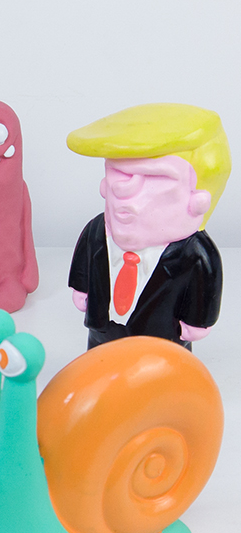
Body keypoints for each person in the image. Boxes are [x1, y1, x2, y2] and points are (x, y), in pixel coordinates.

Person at [67, 103, 231, 349]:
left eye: (155, 178)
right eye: (118, 173)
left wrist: (197, 321)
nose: (123, 189)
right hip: (102, 335)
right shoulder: (97, 231)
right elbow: (86, 259)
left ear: (197, 199)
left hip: (161, 344)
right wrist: (81, 288)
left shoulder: (194, 253)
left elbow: (204, 280)